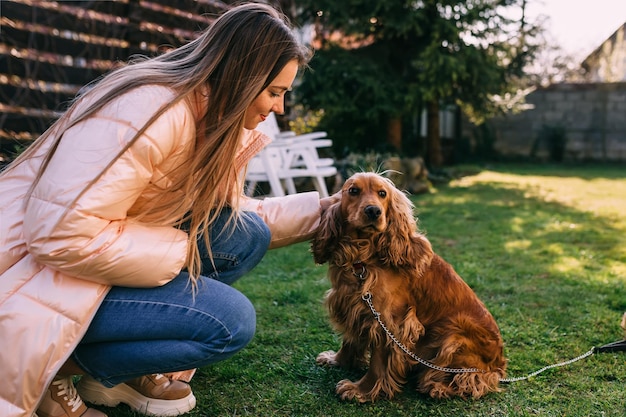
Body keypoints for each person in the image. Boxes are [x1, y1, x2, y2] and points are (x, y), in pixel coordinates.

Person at [0, 3, 338, 417]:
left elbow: (230, 213)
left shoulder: (214, 118)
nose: (280, 108)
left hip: (96, 262)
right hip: (35, 276)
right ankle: (54, 374)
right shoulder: (149, 110)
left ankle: (119, 371)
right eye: (275, 92)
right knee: (229, 322)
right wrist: (179, 251)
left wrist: (325, 212)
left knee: (245, 233)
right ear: (243, 77)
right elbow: (58, 233)